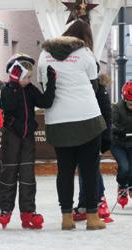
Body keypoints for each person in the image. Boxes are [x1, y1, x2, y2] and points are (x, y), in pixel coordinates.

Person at [37, 19, 106, 230]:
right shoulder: (85, 53)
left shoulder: (44, 55)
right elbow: (93, 86)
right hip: (87, 118)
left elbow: (44, 85)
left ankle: (66, 217)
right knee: (89, 169)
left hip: (58, 120)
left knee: (64, 170)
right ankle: (92, 217)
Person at [0, 53, 56, 229]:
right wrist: (14, 85)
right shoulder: (8, 90)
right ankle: (5, 209)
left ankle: (28, 212)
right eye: (26, 77)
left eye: (30, 77)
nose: (29, 80)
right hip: (11, 137)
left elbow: (45, 102)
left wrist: (52, 82)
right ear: (15, 75)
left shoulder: (30, 89)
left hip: (28, 138)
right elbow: (8, 106)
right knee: (9, 173)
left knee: (28, 176)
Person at [73, 72, 113, 222]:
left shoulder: (98, 90)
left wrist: (105, 138)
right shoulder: (81, 86)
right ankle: (84, 203)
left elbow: (107, 115)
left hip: (94, 134)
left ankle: (100, 200)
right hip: (80, 133)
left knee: (90, 168)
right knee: (83, 169)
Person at [110, 81, 132, 209]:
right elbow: (112, 123)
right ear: (124, 99)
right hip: (119, 144)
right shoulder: (117, 108)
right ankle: (122, 186)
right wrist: (119, 130)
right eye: (129, 103)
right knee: (124, 167)